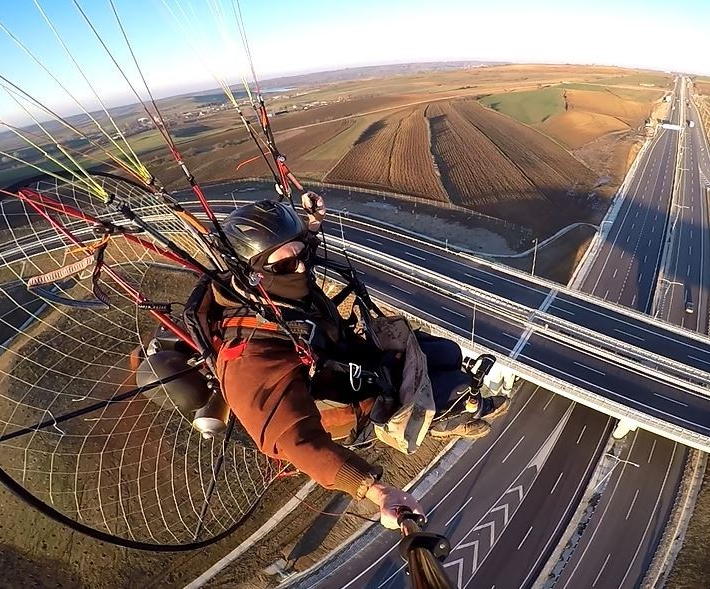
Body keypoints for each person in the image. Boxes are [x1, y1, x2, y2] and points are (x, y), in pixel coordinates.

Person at [210, 192, 509, 528]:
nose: (304, 266)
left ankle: (452, 400)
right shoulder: (249, 357)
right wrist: (374, 490)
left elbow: (293, 253)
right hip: (358, 400)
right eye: (286, 265)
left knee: (446, 352)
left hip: (360, 362)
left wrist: (311, 225)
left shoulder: (272, 292)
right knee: (451, 388)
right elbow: (297, 442)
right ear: (255, 274)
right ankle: (449, 416)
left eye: (304, 253)